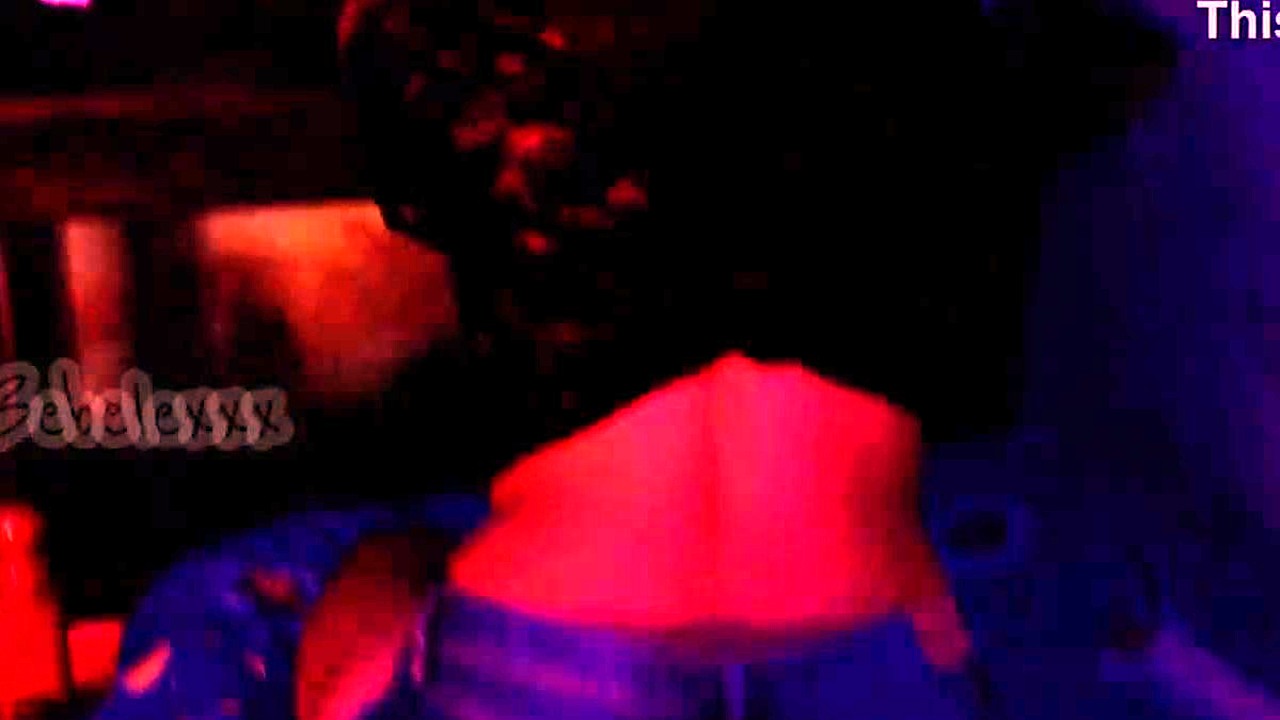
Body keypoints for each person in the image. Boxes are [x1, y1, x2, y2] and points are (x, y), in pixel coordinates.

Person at [92, 1, 1175, 719]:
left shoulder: (432, 36)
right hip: (879, 654)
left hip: (531, 658)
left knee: (323, 584)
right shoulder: (969, 39)